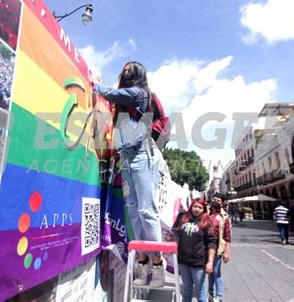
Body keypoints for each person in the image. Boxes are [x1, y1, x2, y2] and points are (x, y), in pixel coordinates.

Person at [92, 61, 166, 287]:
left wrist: (96, 82)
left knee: (146, 210)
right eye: (124, 70)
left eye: (129, 71)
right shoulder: (125, 101)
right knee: (133, 211)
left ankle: (157, 267)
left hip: (143, 154)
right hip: (126, 156)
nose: (126, 72)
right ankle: (142, 267)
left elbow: (112, 93)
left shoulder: (141, 93)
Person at [172, 198, 216, 302]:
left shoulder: (206, 222)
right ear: (191, 206)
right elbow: (174, 233)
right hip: (183, 261)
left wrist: (210, 262)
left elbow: (212, 243)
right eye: (195, 206)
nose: (197, 209)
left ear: (204, 209)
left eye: (200, 207)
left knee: (200, 290)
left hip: (198, 263)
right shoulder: (183, 218)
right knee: (187, 289)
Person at [208, 195, 232, 302]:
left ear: (222, 203)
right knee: (209, 270)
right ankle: (210, 291)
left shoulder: (224, 217)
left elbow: (227, 236)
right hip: (206, 247)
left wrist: (227, 251)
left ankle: (219, 296)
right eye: (214, 199)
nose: (216, 201)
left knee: (216, 272)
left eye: (218, 200)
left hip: (217, 248)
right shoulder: (207, 214)